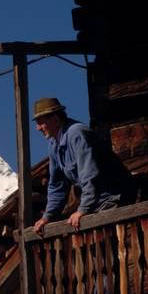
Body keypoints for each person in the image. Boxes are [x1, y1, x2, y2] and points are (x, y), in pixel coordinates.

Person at [32, 97, 136, 236]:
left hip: (113, 198)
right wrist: (47, 217)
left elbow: (90, 174)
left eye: (41, 123)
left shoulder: (76, 133)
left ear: (55, 119)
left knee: (106, 241)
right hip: (96, 202)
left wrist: (83, 209)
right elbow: (57, 185)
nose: (38, 128)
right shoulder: (54, 144)